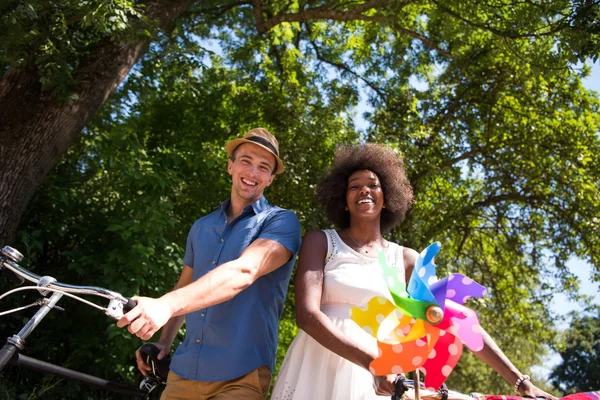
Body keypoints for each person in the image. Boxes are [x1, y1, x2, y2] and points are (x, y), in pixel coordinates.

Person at [271, 143, 556, 400]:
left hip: (380, 376)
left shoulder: (407, 259)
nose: (364, 190)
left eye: (373, 184)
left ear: (387, 195)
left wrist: (520, 382)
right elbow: (307, 317)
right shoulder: (320, 240)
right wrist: (371, 361)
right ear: (343, 199)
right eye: (353, 186)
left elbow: (452, 319)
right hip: (317, 364)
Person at [117, 128, 302, 400]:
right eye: (246, 161)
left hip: (242, 373)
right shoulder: (201, 227)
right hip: (184, 370)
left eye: (264, 167)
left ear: (271, 179)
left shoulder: (281, 222)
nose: (253, 172)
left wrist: (165, 304)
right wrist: (164, 342)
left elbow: (244, 271)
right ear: (230, 166)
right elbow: (185, 285)